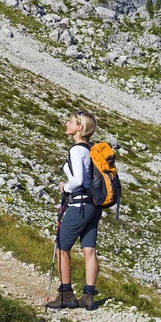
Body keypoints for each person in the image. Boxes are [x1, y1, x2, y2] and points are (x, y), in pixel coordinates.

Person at [47, 110, 102, 310]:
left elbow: (78, 181)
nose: (66, 124)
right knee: (89, 250)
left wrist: (65, 187)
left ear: (79, 127)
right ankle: (88, 296)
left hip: (79, 206)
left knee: (62, 247)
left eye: (70, 121)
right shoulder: (91, 149)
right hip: (94, 207)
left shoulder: (76, 150)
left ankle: (66, 294)